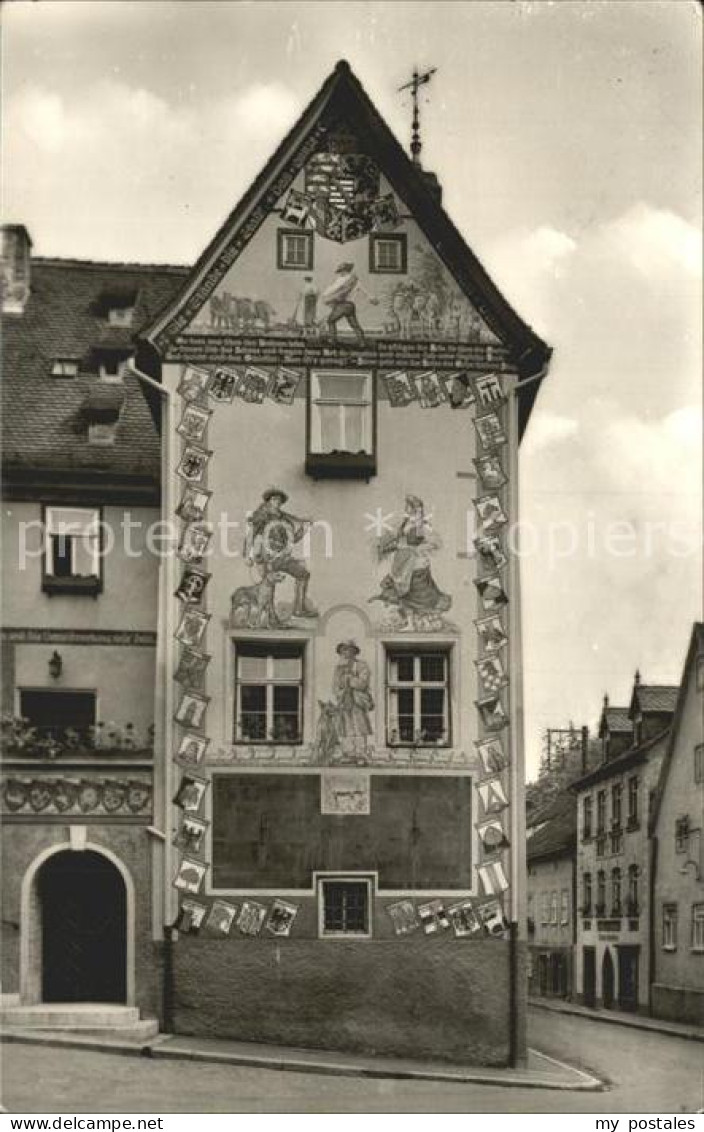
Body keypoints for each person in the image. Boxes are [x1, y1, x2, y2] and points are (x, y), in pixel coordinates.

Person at [371, 495, 452, 624]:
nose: (406, 507)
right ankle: (410, 623)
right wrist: (392, 546)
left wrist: (415, 549)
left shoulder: (420, 524)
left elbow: (432, 543)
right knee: (406, 594)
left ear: (414, 508)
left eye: (408, 505)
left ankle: (420, 621)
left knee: (416, 593)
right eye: (406, 505)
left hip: (413, 564)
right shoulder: (406, 521)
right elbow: (400, 539)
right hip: (403, 563)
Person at [244, 488, 318, 618]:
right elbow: (250, 535)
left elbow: (292, 540)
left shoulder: (285, 520)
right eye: (274, 499)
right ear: (268, 501)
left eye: (279, 500)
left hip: (282, 556)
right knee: (269, 583)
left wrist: (304, 529)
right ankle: (271, 617)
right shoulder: (261, 516)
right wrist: (247, 556)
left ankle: (298, 610)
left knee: (303, 574)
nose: (277, 502)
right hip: (265, 556)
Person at [332, 640, 374, 757]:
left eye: (347, 649)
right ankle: (348, 753)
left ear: (354, 652)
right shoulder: (338, 668)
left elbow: (362, 683)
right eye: (343, 650)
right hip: (344, 701)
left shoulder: (361, 665)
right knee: (346, 728)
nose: (345, 653)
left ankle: (360, 753)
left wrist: (349, 679)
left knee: (359, 727)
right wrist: (340, 693)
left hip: (358, 701)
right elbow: (335, 686)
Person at [321, 262, 378, 344]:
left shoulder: (341, 280)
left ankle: (333, 340)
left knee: (331, 321)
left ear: (345, 270)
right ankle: (362, 341)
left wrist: (325, 296)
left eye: (341, 271)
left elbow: (331, 289)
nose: (340, 273)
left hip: (342, 305)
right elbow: (365, 290)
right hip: (351, 306)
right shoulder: (356, 281)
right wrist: (372, 298)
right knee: (354, 324)